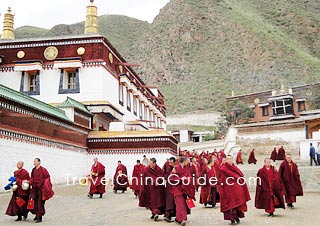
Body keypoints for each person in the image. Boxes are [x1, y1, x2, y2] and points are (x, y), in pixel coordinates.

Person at [219, 155, 251, 225]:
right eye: (228, 159)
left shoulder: (234, 167)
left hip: (236, 190)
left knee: (237, 204)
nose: (229, 160)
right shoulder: (223, 169)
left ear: (232, 160)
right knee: (230, 205)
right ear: (226, 160)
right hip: (228, 190)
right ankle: (232, 219)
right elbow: (221, 179)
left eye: (230, 159)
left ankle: (237, 217)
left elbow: (240, 176)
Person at [169, 157, 196, 226]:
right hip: (177, 189)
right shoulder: (176, 168)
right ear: (184, 161)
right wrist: (181, 178)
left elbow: (190, 176)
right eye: (187, 161)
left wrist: (187, 179)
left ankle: (178, 218)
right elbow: (171, 178)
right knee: (180, 205)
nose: (188, 162)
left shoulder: (187, 168)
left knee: (181, 205)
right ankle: (182, 219)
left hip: (185, 189)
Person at [29, 158, 54, 223]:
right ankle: (36, 215)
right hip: (34, 188)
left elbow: (47, 177)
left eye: (35, 161)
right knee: (33, 201)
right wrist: (31, 182)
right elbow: (32, 178)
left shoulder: (43, 169)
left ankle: (39, 217)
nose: (34, 162)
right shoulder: (33, 170)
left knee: (40, 203)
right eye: (33, 161)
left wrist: (43, 183)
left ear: (39, 162)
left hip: (41, 189)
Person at [163, 157, 176, 222]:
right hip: (169, 187)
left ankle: (171, 216)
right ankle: (167, 215)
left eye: (171, 162)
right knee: (169, 201)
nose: (170, 164)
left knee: (173, 202)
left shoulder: (176, 167)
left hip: (175, 187)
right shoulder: (168, 168)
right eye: (169, 162)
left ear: (174, 162)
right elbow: (165, 174)